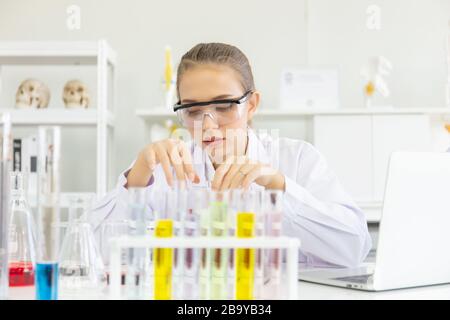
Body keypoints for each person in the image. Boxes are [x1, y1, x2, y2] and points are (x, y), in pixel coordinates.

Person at [91, 42, 371, 268]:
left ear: (251, 105)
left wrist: (277, 186)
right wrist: (136, 182)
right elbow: (91, 252)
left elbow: (354, 247)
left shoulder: (297, 160)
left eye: (225, 105)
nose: (208, 125)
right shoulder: (161, 169)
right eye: (193, 110)